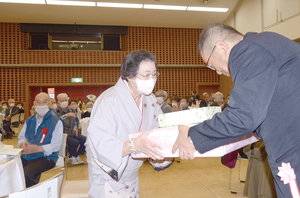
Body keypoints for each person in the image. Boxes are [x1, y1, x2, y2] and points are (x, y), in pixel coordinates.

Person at [172, 23, 300, 197]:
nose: (217, 72)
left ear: (221, 46)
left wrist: (191, 135)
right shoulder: (266, 44)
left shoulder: (245, 49)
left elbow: (243, 117)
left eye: (210, 64)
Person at [86, 50, 173, 198]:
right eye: (146, 75)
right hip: (108, 174)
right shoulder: (109, 100)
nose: (152, 79)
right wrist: (134, 145)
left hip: (132, 174)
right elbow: (100, 142)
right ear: (129, 76)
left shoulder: (150, 100)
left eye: (154, 74)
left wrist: (162, 153)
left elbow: (157, 132)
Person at [18, 92, 63, 188]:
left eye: (44, 102)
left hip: (46, 158)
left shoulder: (56, 121)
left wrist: (37, 149)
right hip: (27, 156)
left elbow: (56, 145)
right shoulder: (29, 120)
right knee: (13, 171)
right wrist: (22, 143)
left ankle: (29, 194)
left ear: (50, 104)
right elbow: (22, 137)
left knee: (27, 173)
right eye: (38, 102)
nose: (41, 105)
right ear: (34, 104)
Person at [56, 93, 86, 165]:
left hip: (72, 131)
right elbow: (56, 122)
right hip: (63, 133)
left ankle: (76, 155)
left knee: (85, 140)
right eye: (62, 100)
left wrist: (75, 128)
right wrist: (65, 115)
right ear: (58, 102)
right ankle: (72, 156)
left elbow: (76, 120)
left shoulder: (72, 110)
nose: (64, 102)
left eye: (65, 100)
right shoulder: (55, 111)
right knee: (75, 142)